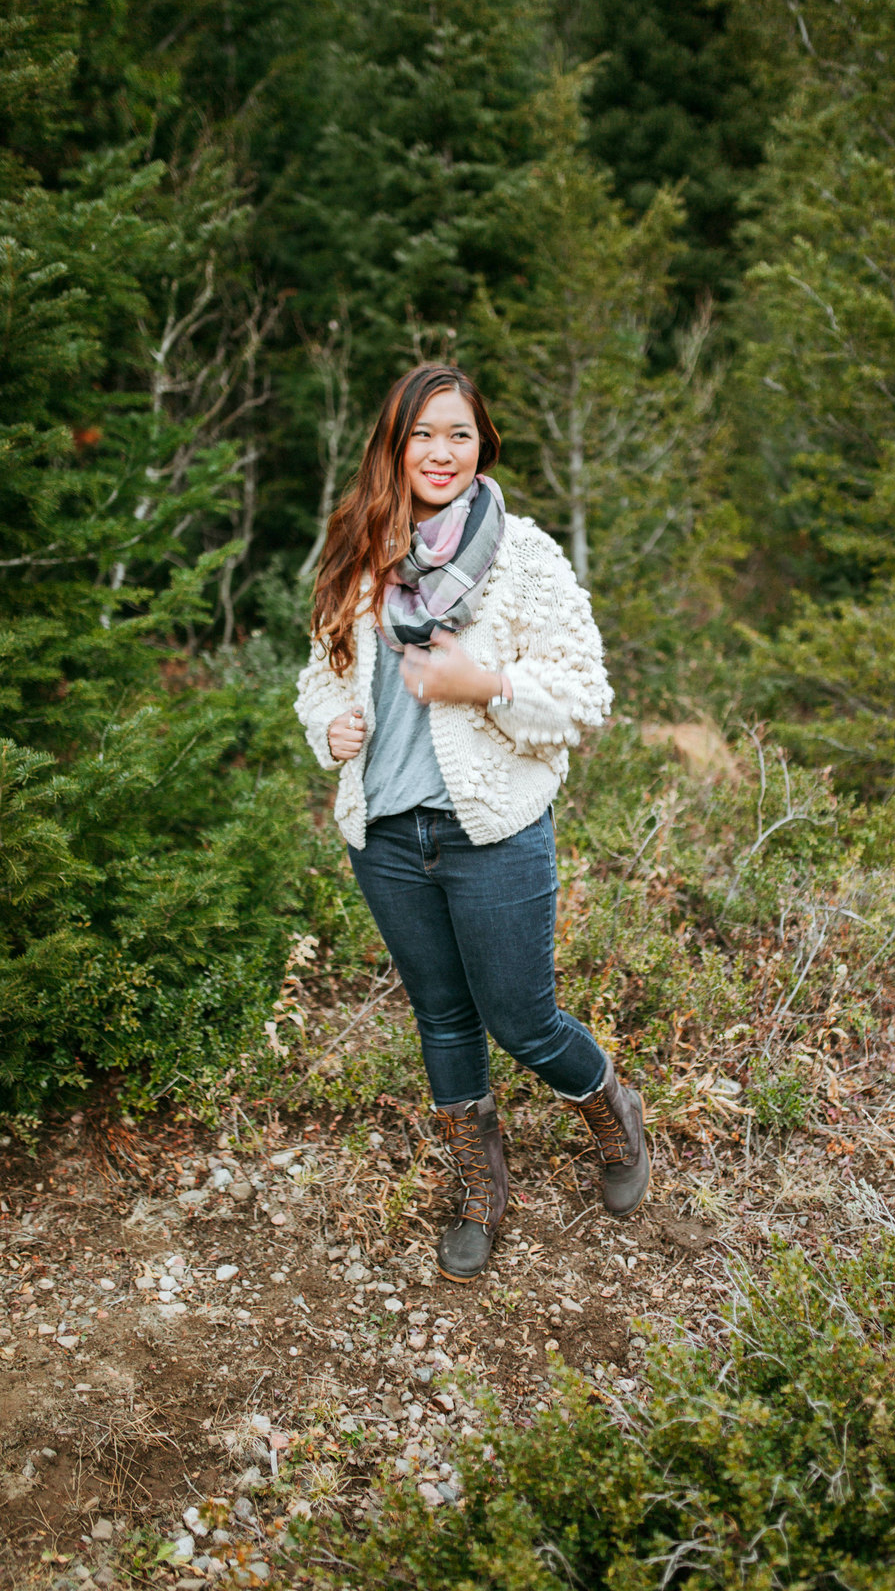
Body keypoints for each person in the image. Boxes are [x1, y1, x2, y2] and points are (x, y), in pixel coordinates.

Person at [295, 362, 650, 1282]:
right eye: (422, 434)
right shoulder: (357, 552)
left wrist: (483, 685)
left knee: (523, 1021)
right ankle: (477, 1181)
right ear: (394, 445)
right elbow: (320, 677)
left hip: (489, 828)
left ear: (482, 443)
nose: (440, 452)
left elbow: (585, 702)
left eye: (458, 433)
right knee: (443, 1019)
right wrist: (327, 727)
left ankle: (610, 1106)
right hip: (385, 835)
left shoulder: (523, 555)